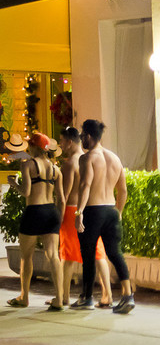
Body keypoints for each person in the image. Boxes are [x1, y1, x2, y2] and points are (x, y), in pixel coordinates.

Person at [74, 119, 134, 313]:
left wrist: (79, 211)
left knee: (89, 255)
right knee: (115, 254)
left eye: (83, 136)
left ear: (89, 136)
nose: (82, 140)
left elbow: (85, 186)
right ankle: (127, 295)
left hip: (93, 210)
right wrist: (119, 212)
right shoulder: (114, 158)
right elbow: (122, 191)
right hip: (111, 211)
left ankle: (87, 297)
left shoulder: (88, 158)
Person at [55, 125, 112, 308]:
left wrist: (58, 218)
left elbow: (64, 195)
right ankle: (107, 294)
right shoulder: (92, 158)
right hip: (92, 208)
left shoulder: (71, 163)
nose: (61, 145)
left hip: (73, 210)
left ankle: (63, 296)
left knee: (68, 255)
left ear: (70, 142)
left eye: (62, 142)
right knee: (98, 252)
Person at [7, 132, 63, 310]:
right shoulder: (56, 169)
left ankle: (24, 297)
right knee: (53, 255)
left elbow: (26, 192)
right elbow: (61, 198)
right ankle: (59, 298)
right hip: (51, 211)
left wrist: (13, 184)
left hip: (34, 211)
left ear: (33, 147)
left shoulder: (28, 164)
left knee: (26, 256)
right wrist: (59, 219)